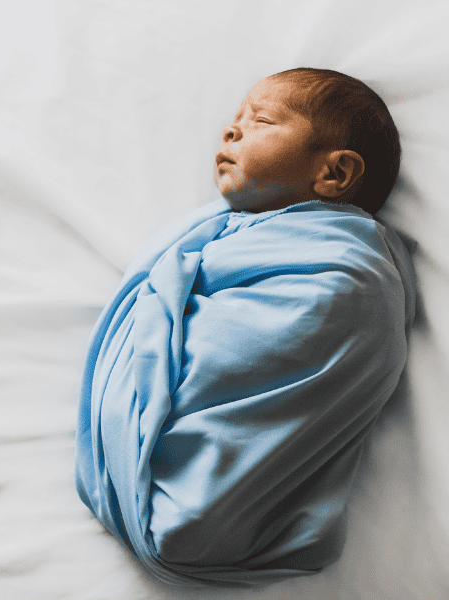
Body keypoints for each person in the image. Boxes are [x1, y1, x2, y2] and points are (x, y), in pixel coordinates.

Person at [75, 68, 416, 587]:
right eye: (235, 120)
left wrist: (167, 298)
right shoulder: (227, 232)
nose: (231, 132)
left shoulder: (348, 271)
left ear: (335, 174)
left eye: (259, 121)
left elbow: (282, 338)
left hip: (221, 512)